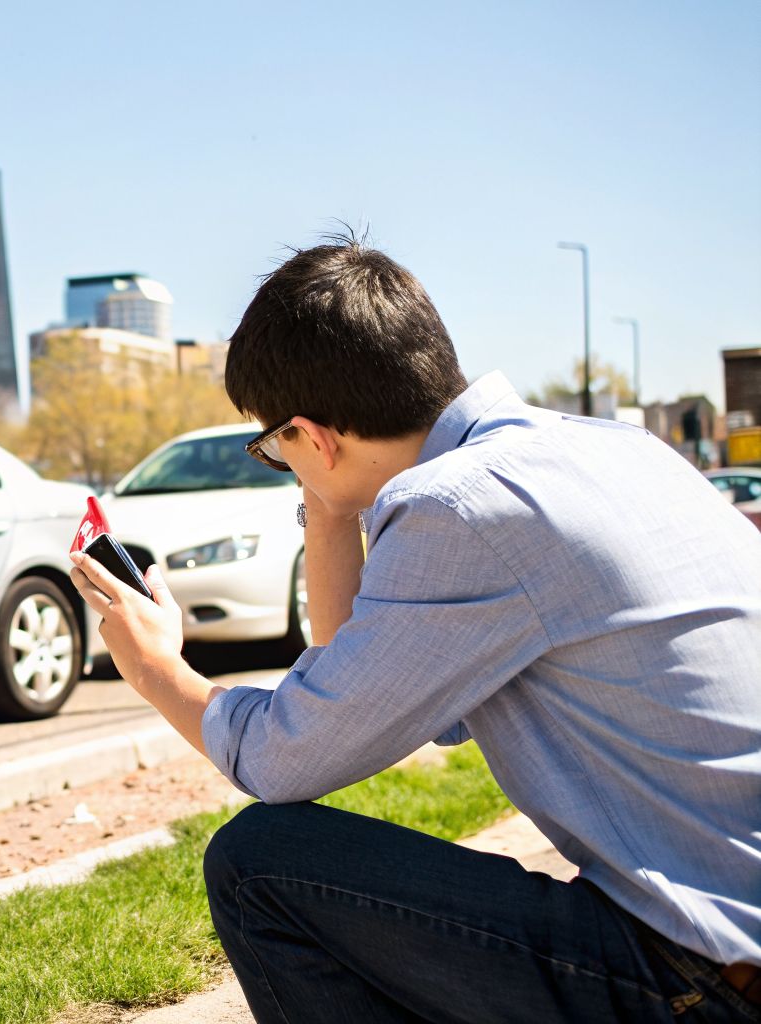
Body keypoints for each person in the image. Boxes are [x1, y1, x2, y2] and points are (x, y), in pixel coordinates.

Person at [68, 232, 761, 1022]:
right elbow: (352, 692)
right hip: (728, 933)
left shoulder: (460, 505)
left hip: (704, 977)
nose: (283, 462)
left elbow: (288, 757)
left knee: (259, 864)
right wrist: (328, 512)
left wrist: (158, 670)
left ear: (314, 436)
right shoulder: (608, 448)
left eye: (274, 446)